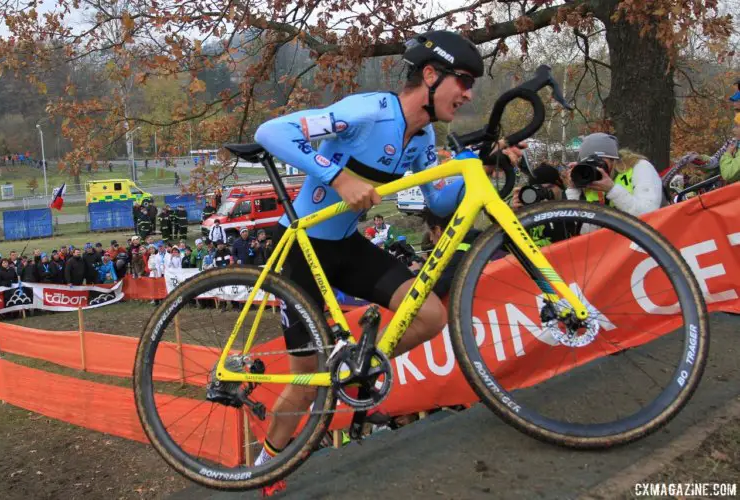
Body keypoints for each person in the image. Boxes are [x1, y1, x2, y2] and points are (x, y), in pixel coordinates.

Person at [251, 30, 503, 486]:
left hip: (347, 247)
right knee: (303, 383)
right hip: (302, 250)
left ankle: (358, 367)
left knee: (428, 315)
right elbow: (270, 132)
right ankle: (264, 469)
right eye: (463, 81)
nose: (467, 94)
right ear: (430, 75)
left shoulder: (422, 136)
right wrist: (339, 176)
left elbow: (439, 204)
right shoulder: (367, 112)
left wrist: (479, 172)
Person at [563, 133, 663, 217]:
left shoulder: (639, 167)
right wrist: (573, 189)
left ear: (614, 159)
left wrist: (612, 189)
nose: (597, 168)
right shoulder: (587, 180)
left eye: (600, 162)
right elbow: (580, 230)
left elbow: (649, 214)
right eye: (589, 163)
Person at [719, 114, 740, 184]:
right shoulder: (736, 145)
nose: (733, 130)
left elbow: (727, 174)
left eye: (737, 126)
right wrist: (701, 158)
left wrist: (728, 154)